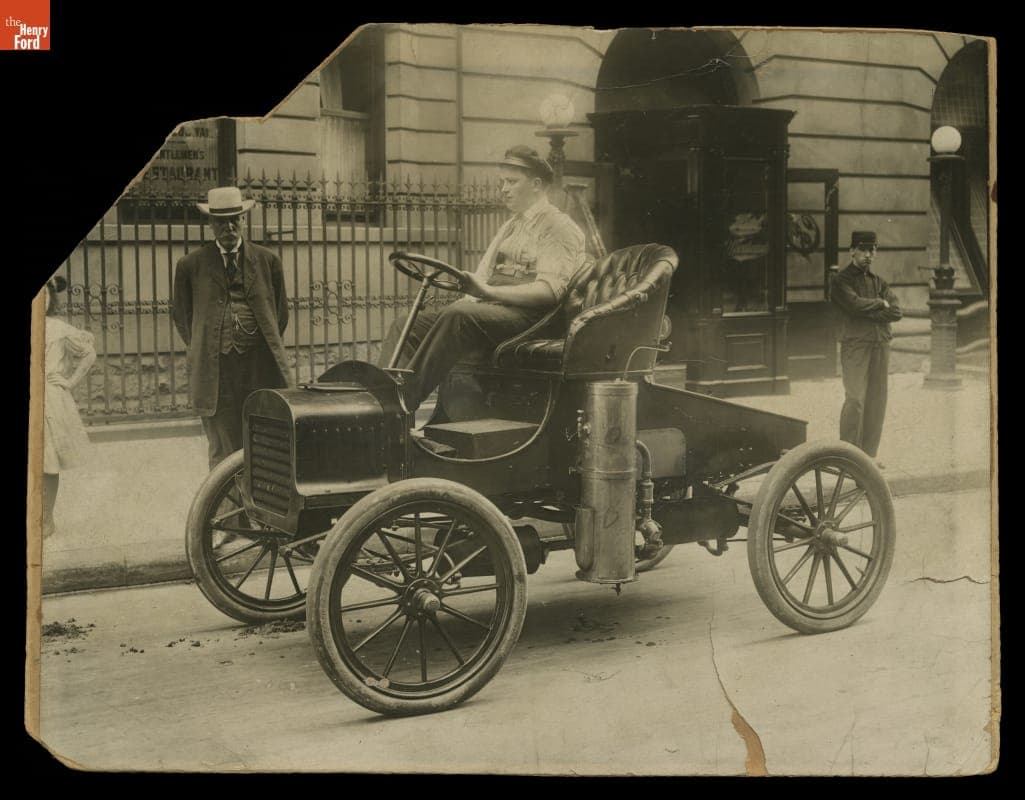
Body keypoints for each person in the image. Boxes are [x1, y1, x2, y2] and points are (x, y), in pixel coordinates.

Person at [378, 145, 587, 412]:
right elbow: (482, 274)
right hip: (497, 311)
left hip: (534, 319)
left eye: (512, 182)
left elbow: (549, 292)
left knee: (458, 316)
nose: (503, 189)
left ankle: (399, 406)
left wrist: (487, 294)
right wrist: (473, 294)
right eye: (502, 183)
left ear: (536, 185)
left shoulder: (558, 226)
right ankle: (379, 397)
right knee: (405, 325)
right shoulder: (511, 226)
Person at [173, 186, 291, 469]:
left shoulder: (267, 261)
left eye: (234, 219)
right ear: (211, 224)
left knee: (263, 438)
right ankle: (226, 511)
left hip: (257, 367)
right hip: (218, 371)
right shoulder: (191, 265)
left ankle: (259, 507)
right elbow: (183, 317)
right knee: (223, 446)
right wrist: (208, 345)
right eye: (221, 221)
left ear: (243, 220)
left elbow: (279, 315)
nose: (229, 227)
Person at [830, 230, 903, 464]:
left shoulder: (879, 282)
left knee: (877, 399)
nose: (869, 254)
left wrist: (872, 309)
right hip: (856, 346)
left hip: (880, 345)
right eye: (863, 249)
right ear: (852, 251)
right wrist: (880, 304)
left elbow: (896, 311)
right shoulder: (841, 281)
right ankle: (848, 456)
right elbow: (852, 305)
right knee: (855, 398)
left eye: (873, 250)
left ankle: (869, 456)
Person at [42, 276, 97, 540]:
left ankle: (46, 519)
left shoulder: (57, 329)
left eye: (44, 295)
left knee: (47, 461)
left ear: (51, 299)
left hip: (49, 400)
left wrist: (70, 381)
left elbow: (89, 353)